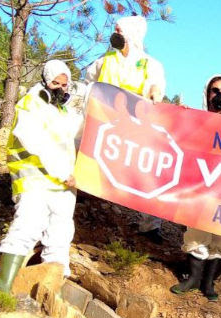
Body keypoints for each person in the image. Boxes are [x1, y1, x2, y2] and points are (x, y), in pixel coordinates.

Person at [0, 60, 83, 296]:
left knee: (60, 236)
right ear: (45, 81)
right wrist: (63, 173)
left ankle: (52, 293)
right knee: (27, 227)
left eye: (64, 84)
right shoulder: (32, 104)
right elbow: (35, 143)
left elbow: (77, 141)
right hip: (35, 180)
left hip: (62, 187)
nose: (60, 88)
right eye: (55, 83)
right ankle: (2, 288)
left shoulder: (66, 113)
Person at [83, 15, 168, 241]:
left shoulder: (150, 64)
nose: (116, 34)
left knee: (149, 171)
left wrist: (155, 92)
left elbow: (155, 85)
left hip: (132, 127)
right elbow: (88, 79)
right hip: (101, 121)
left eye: (120, 31)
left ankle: (150, 225)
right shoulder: (106, 60)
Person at [170, 75, 221, 301]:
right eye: (215, 90)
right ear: (207, 93)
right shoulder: (195, 119)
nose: (220, 95)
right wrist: (178, 115)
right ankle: (193, 278)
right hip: (199, 186)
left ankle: (208, 284)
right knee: (197, 230)